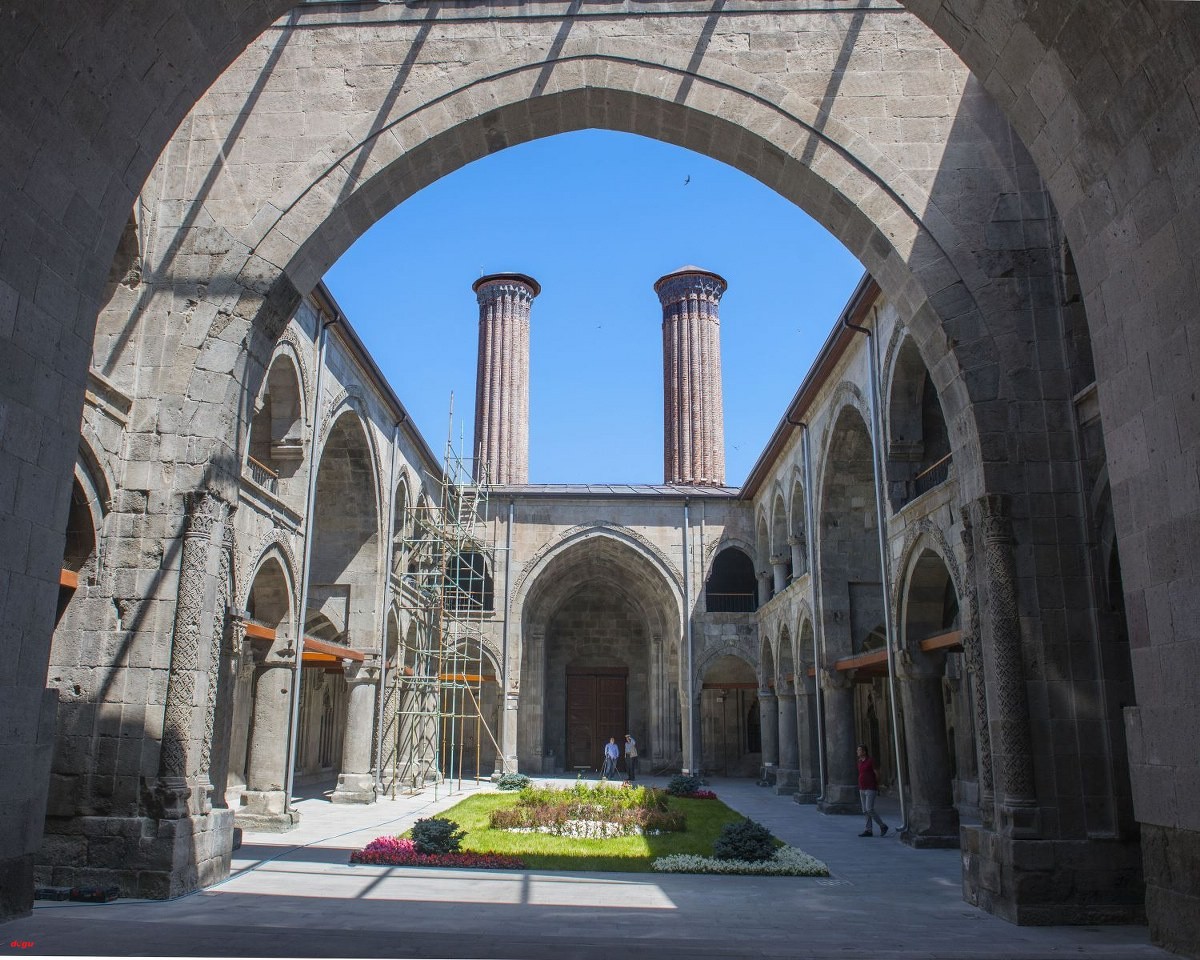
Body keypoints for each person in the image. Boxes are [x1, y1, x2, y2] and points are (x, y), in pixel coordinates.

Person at [856, 743, 889, 837]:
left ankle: (882, 826)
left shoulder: (870, 761)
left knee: (870, 809)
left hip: (870, 788)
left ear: (864, 751)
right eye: (857, 750)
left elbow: (877, 773)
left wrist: (876, 784)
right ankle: (868, 830)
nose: (857, 752)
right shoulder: (859, 761)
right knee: (865, 811)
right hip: (862, 788)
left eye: (859, 750)